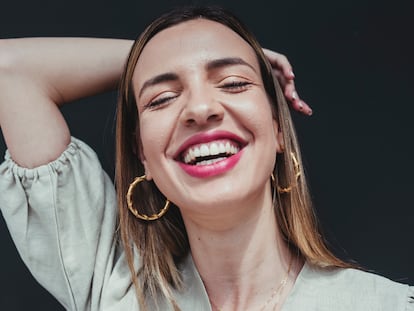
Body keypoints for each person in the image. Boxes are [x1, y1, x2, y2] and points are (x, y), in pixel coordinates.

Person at [0, 5, 412, 311]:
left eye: (233, 84)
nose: (200, 108)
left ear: (279, 130)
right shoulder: (113, 284)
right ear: (143, 152)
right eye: (162, 97)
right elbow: (9, 69)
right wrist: (153, 55)